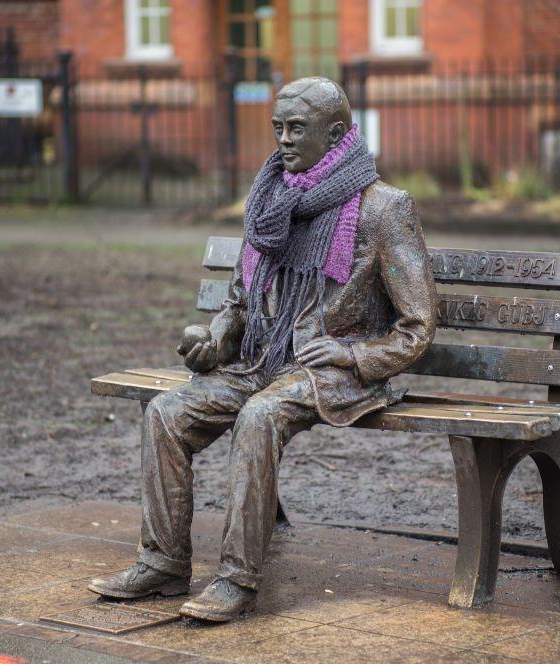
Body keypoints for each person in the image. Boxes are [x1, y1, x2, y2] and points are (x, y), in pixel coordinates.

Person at [88, 77, 437, 622]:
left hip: (330, 370)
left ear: (336, 133)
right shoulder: (271, 198)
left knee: (260, 415)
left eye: (297, 129)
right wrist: (217, 336)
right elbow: (241, 301)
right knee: (165, 412)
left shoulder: (382, 208)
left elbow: (417, 327)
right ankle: (163, 563)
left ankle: (236, 580)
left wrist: (354, 357)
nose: (283, 141)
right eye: (277, 128)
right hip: (261, 359)